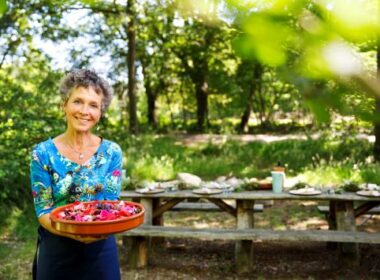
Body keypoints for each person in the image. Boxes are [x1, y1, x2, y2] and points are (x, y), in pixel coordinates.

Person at [30, 69, 122, 280]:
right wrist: (73, 231)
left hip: (101, 246)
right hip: (56, 246)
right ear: (64, 104)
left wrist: (94, 232)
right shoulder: (42, 153)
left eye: (93, 105)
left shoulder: (111, 152)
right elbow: (43, 208)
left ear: (100, 112)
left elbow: (111, 202)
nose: (84, 111)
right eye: (78, 101)